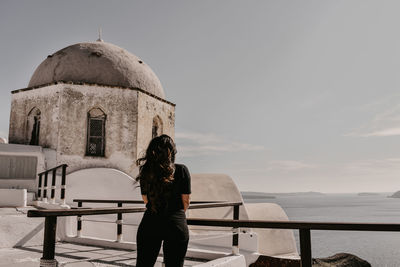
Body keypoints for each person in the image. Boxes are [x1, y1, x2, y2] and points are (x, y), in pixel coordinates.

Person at [135, 134, 191, 267]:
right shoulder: (182, 170)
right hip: (175, 225)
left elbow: (146, 200)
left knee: (144, 264)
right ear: (172, 152)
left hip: (150, 224)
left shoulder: (146, 171)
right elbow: (186, 202)